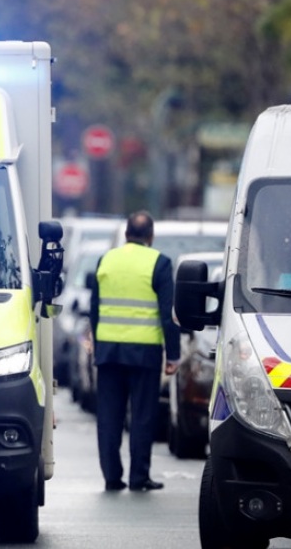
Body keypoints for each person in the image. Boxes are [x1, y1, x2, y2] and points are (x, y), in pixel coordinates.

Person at [89, 210, 180, 492]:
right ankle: (139, 477)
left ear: (126, 234)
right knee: (142, 417)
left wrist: (97, 348)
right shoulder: (160, 263)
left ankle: (111, 476)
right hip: (144, 352)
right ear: (151, 236)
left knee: (109, 417)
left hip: (109, 352)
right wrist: (173, 355)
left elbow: (94, 310)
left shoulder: (106, 260)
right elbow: (168, 315)